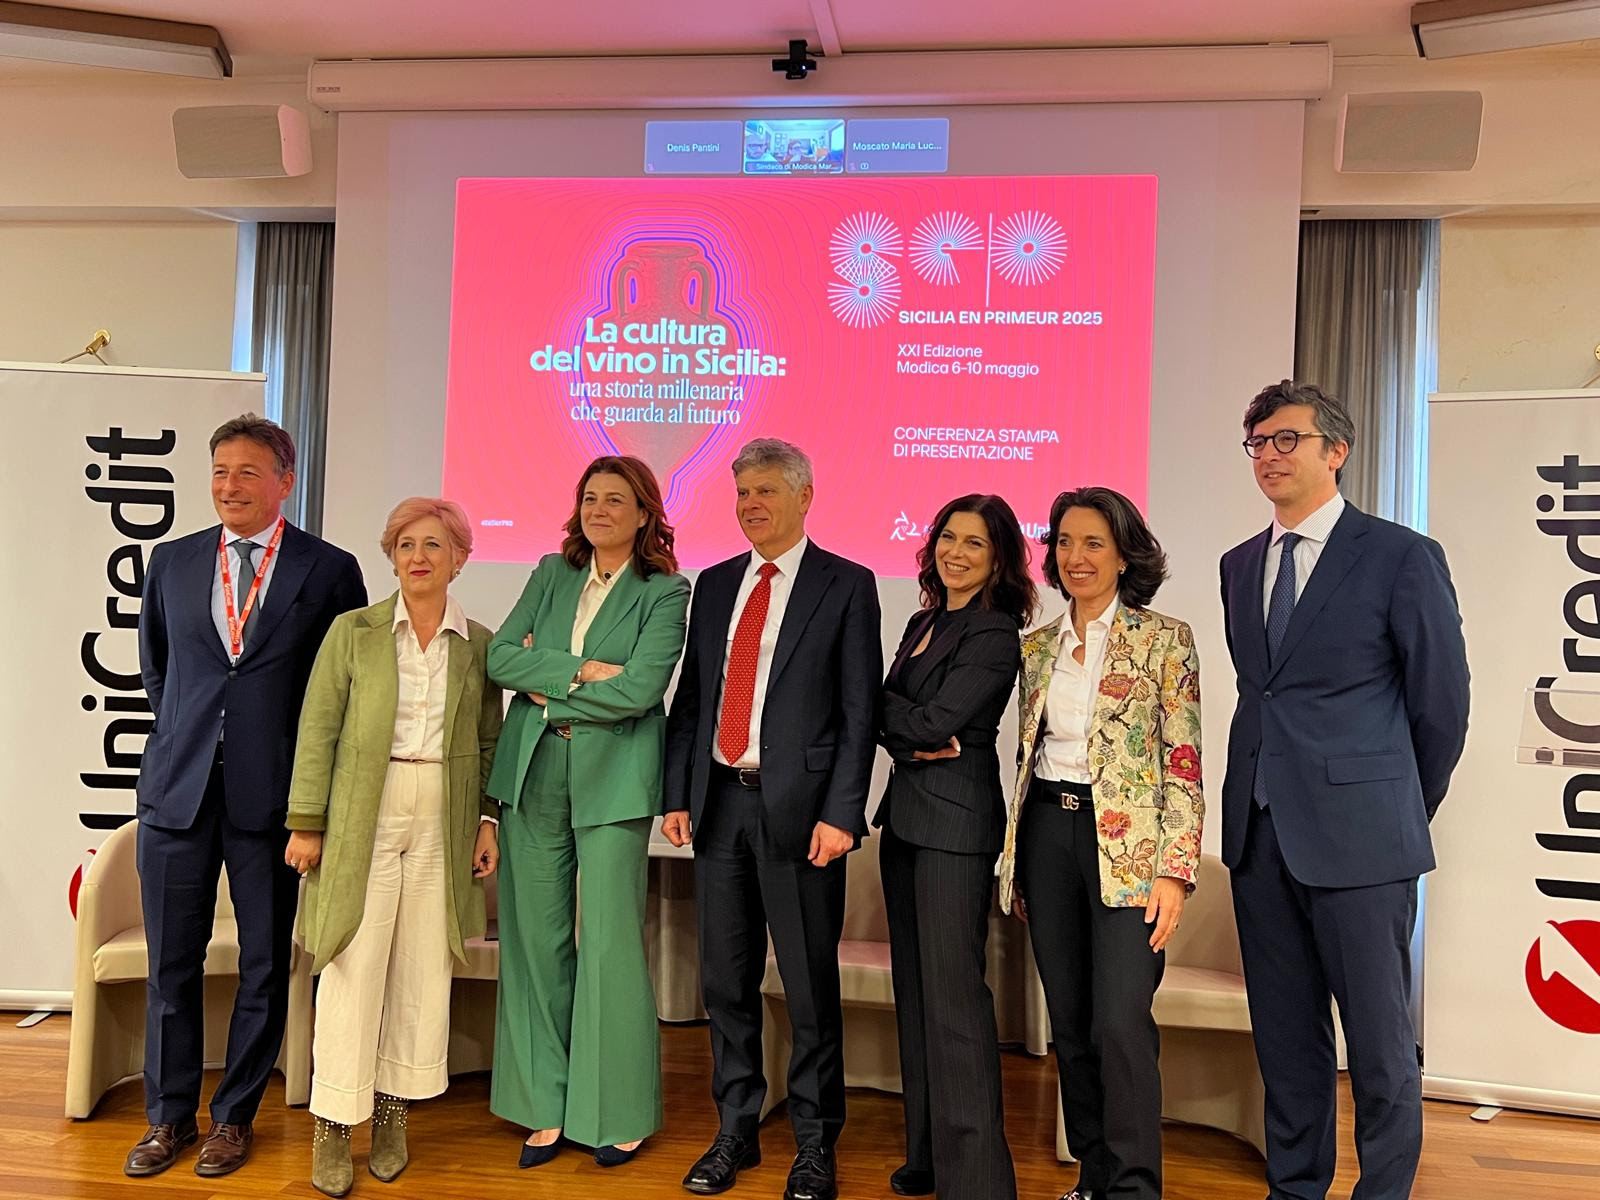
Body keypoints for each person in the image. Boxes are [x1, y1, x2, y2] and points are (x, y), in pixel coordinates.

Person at [1220, 381, 1469, 1200]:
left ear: (1337, 450)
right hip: (1260, 835)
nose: (1269, 456)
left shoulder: (1400, 555)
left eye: (1287, 439)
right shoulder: (1239, 565)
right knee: (1287, 1039)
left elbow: (1441, 704)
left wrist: (1396, 808)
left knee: (1379, 1042)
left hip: (1364, 839)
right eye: (1258, 442)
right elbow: (1264, 694)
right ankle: (1295, 1187)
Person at [128, 414, 366, 1178]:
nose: (230, 486)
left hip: (274, 804)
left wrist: (313, 802)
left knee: (263, 964)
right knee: (171, 964)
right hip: (178, 794)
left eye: (248, 473)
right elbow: (158, 670)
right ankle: (168, 1118)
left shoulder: (328, 570)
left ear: (285, 481)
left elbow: (340, 692)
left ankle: (233, 1118)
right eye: (220, 471)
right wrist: (191, 738)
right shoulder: (171, 561)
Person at [663, 438, 881, 1200]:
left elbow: (859, 712)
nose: (751, 505)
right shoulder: (716, 584)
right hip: (720, 806)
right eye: (742, 493)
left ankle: (815, 1145)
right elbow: (693, 698)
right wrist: (677, 793)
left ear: (804, 496)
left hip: (803, 817)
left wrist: (843, 813)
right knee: (725, 983)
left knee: (809, 990)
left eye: (765, 491)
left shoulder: (846, 584)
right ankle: (736, 1129)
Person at [285, 498, 504, 1196]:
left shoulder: (479, 644)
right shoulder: (353, 632)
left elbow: (491, 741)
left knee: (421, 968)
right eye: (406, 544)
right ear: (391, 557)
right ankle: (332, 1122)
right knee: (352, 964)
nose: (418, 556)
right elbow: (318, 726)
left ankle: (392, 1113)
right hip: (364, 812)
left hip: (444, 812)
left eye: (433, 544)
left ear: (459, 559)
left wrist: (488, 821)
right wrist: (307, 821)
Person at [997, 486, 1203, 1200]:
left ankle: (1135, 1186)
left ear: (1123, 555)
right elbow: (1026, 755)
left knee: (1120, 1020)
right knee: (1073, 1019)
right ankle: (1093, 1176)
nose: (1075, 556)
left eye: (1093, 543)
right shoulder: (1036, 647)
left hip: (1131, 851)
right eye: (1064, 542)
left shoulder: (1165, 639)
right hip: (1047, 836)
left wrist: (1176, 870)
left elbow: (1183, 762)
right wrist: (1016, 861)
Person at [485, 455, 690, 1169]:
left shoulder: (666, 590)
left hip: (614, 781)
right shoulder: (551, 572)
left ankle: (615, 1112)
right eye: (590, 498)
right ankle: (542, 1104)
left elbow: (641, 690)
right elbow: (501, 659)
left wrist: (548, 683)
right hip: (534, 770)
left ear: (644, 514)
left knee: (609, 943)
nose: (599, 510)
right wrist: (581, 672)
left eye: (616, 500)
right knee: (535, 941)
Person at [875, 494, 1034, 1200]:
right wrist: (905, 727)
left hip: (955, 830)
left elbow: (936, 719)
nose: (956, 552)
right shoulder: (925, 620)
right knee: (915, 999)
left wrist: (903, 723)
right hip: (906, 822)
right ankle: (929, 1159)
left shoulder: (995, 632)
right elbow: (886, 711)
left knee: (955, 1004)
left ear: (998, 558)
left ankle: (978, 1183)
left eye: (974, 542)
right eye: (947, 537)